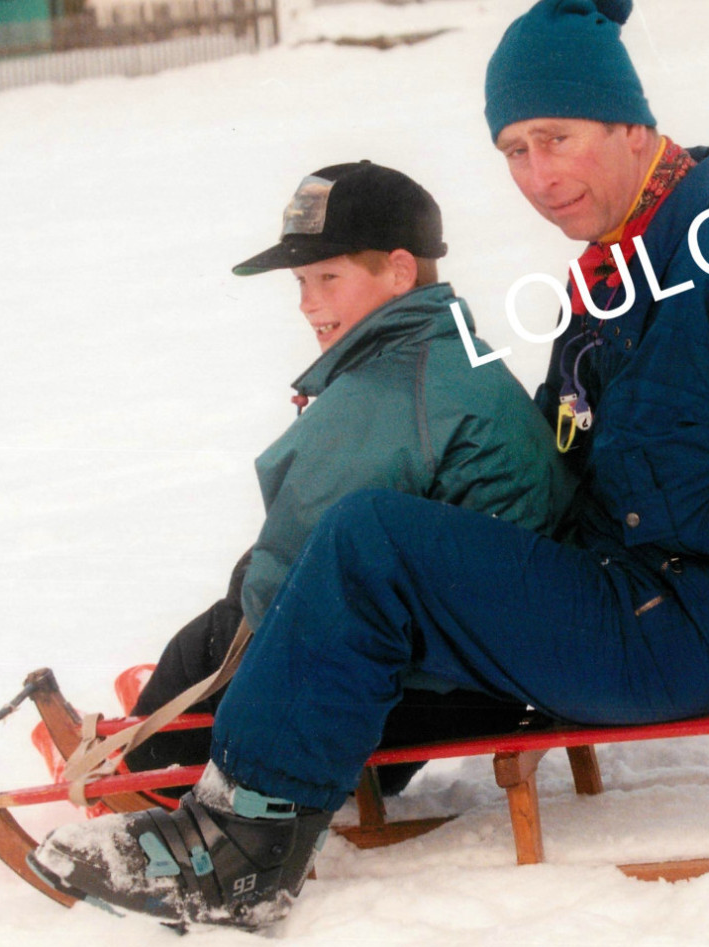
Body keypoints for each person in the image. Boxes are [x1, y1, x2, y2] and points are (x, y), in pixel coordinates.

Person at [29, 0, 709, 929]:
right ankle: (263, 764)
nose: (537, 175)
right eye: (513, 149)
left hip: (693, 621)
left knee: (371, 540)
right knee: (376, 545)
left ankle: (238, 851)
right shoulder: (619, 272)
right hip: (625, 588)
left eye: (558, 137)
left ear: (632, 127)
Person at [120, 160, 571, 789]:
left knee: (223, 631)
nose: (309, 304)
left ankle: (142, 773)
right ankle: (163, 728)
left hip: (436, 684)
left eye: (328, 277)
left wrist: (238, 615)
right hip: (483, 658)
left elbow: (292, 573)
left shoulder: (392, 390)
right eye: (301, 281)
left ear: (400, 269)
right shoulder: (442, 352)